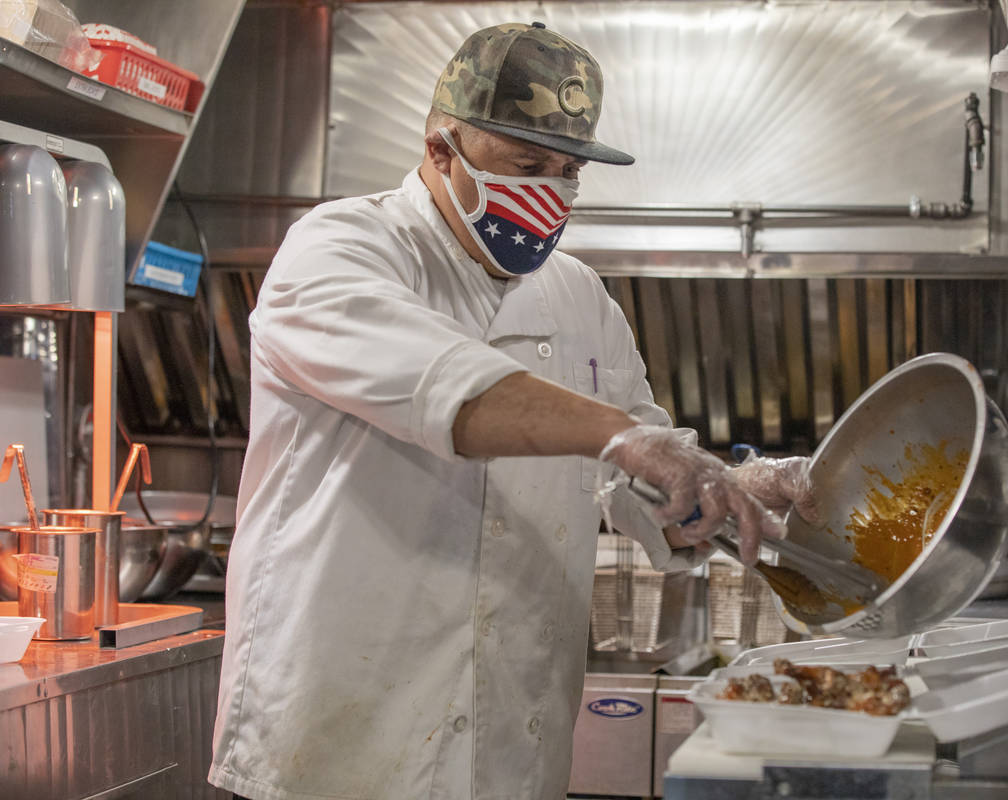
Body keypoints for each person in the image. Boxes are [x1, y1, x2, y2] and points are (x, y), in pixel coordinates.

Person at [209, 21, 814, 800]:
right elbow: (450, 390)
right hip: (335, 740)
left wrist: (722, 491)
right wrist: (627, 441)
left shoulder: (578, 295)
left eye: (568, 170)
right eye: (527, 163)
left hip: (511, 735)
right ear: (440, 148)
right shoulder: (340, 249)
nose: (551, 190)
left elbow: (639, 472)